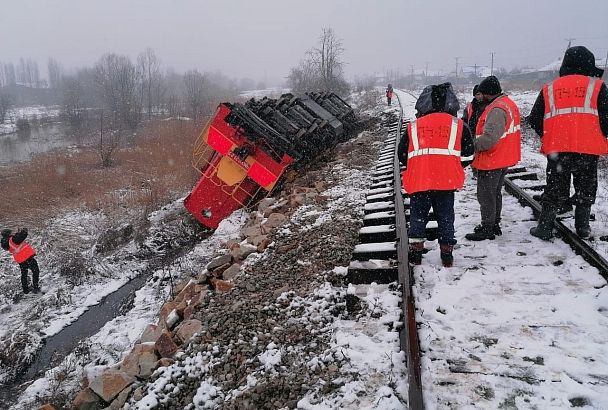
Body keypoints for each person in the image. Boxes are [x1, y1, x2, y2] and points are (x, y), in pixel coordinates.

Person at [527, 46, 608, 240]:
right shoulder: (597, 87)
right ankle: (583, 228)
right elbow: (606, 118)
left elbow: (534, 118)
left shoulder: (550, 88)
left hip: (558, 150)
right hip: (588, 149)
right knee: (586, 188)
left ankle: (545, 228)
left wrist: (549, 135)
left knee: (555, 188)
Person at [397, 82, 474, 267]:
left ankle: (416, 253)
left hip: (420, 180)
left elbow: (402, 155)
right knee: (446, 216)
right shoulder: (459, 125)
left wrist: (420, 166)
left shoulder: (414, 126)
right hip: (446, 182)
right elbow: (469, 154)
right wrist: (451, 166)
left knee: (418, 217)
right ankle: (447, 254)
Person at [465, 75, 521, 241]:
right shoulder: (507, 103)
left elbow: (489, 139)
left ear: (488, 93)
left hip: (492, 159)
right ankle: (494, 223)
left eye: (482, 93)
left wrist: (471, 145)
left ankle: (488, 227)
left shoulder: (497, 109)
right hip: (502, 156)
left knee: (486, 195)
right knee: (495, 193)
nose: (480, 96)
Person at [1, 228, 41, 294]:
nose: (12, 233)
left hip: (20, 260)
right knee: (36, 271)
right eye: (10, 232)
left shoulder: (5, 242)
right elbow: (22, 236)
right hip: (27, 257)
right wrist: (24, 230)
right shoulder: (12, 239)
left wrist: (18, 233)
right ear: (8, 234)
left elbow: (17, 240)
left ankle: (25, 290)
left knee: (24, 274)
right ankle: (35, 288)